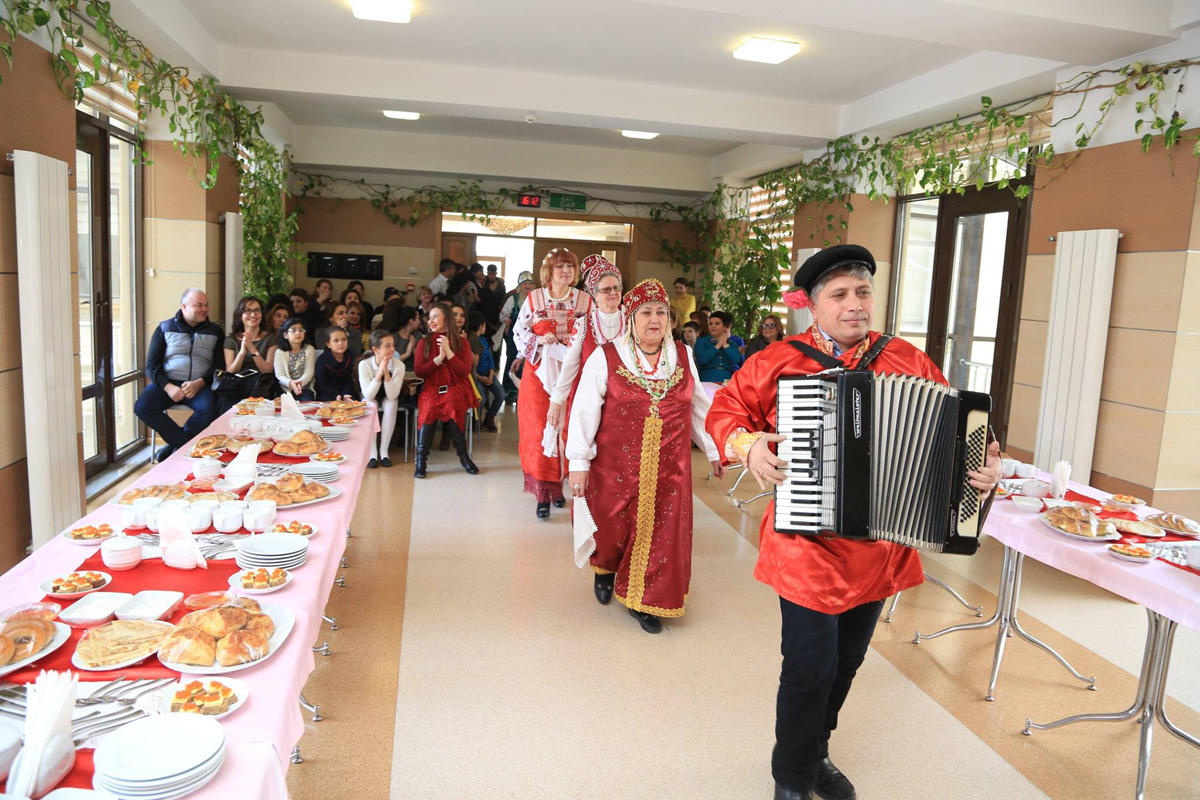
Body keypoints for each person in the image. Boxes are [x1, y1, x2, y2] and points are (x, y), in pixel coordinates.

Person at [704, 244, 1002, 800]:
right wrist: (748, 450)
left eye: (862, 292)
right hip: (806, 544)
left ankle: (816, 751)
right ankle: (790, 777)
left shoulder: (908, 361)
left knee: (847, 661)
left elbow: (963, 432)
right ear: (813, 307)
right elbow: (724, 412)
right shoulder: (778, 360)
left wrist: (985, 464)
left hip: (882, 545)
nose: (855, 305)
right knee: (809, 666)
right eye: (839, 295)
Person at [566, 279, 723, 634]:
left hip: (670, 470)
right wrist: (579, 463)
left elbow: (699, 407)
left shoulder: (682, 356)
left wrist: (714, 449)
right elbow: (584, 413)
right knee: (611, 528)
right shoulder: (606, 356)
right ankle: (605, 569)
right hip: (613, 467)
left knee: (662, 532)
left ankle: (645, 599)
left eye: (662, 313)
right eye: (647, 313)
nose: (655, 319)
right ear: (631, 317)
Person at [512, 248, 592, 519]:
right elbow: (518, 332)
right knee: (538, 432)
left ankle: (561, 486)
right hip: (538, 376)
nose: (566, 272)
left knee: (569, 430)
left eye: (570, 267)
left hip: (572, 376)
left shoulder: (584, 300)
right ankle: (544, 493)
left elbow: (592, 335)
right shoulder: (534, 299)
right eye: (560, 267)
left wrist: (575, 343)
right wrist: (539, 341)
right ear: (549, 271)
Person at [134, 288, 223, 460]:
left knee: (209, 408)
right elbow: (152, 366)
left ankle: (175, 447)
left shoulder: (215, 331)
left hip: (199, 384)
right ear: (184, 306)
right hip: (168, 383)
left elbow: (219, 366)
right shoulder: (164, 328)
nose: (205, 309)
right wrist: (168, 387)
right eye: (199, 305)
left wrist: (200, 382)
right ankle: (182, 445)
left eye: (206, 305)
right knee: (142, 407)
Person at [545, 254, 624, 447]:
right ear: (594, 294)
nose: (613, 293)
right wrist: (556, 400)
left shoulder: (632, 322)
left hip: (623, 400)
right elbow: (570, 366)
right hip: (588, 398)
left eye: (616, 288)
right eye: (606, 289)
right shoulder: (583, 325)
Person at [413, 304, 478, 478]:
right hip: (432, 388)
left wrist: (449, 352)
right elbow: (420, 371)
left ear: (446, 319)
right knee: (428, 407)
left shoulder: (461, 342)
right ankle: (421, 460)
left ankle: (464, 456)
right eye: (430, 317)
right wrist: (437, 359)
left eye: (436, 316)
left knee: (452, 402)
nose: (431, 320)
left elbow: (463, 372)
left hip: (455, 387)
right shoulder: (423, 342)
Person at [218, 295, 278, 411]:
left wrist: (252, 349)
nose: (253, 315)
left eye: (257, 310)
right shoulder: (231, 340)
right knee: (225, 400)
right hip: (236, 384)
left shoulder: (270, 338)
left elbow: (267, 370)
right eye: (248, 311)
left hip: (260, 384)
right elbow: (230, 370)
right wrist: (242, 352)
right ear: (240, 315)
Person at [358, 328, 405, 468]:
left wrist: (387, 375)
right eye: (387, 345)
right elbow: (368, 394)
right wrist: (379, 374)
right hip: (371, 395)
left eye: (393, 345)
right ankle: (372, 453)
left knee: (391, 403)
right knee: (369, 403)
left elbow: (392, 395)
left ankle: (384, 451)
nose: (392, 349)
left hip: (389, 395)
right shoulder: (364, 364)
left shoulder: (399, 365)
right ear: (375, 349)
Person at [499, 271, 534, 402]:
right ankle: (508, 390)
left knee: (528, 362)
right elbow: (502, 314)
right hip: (515, 336)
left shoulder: (535, 299)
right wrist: (507, 321)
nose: (528, 286)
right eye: (525, 283)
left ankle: (523, 390)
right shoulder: (513, 299)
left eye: (530, 283)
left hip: (531, 335)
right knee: (512, 360)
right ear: (520, 285)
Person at [468, 310, 503, 432]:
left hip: (488, 374)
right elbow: (471, 367)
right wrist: (480, 377)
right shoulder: (469, 342)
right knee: (481, 398)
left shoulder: (483, 340)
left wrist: (491, 373)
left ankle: (489, 419)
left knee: (500, 394)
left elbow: (490, 358)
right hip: (476, 376)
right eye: (484, 324)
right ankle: (474, 422)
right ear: (480, 325)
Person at [694, 310, 745, 382]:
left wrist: (725, 344)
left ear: (725, 327)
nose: (713, 326)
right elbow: (702, 359)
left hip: (727, 380)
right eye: (710, 324)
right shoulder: (702, 341)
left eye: (717, 323)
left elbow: (736, 359)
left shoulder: (731, 343)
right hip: (706, 379)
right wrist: (717, 346)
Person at [273, 318, 317, 400]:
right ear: (285, 335)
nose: (298, 333)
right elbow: (280, 375)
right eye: (293, 330)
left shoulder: (309, 349)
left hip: (304, 389)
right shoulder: (280, 352)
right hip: (285, 389)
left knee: (306, 404)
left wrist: (299, 383)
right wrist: (290, 383)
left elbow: (309, 373)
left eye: (301, 330)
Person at [315, 328, 360, 401]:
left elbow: (351, 379)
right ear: (328, 344)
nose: (340, 343)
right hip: (328, 394)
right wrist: (335, 395)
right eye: (336, 341)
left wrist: (346, 393)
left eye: (344, 339)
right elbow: (321, 384)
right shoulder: (322, 360)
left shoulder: (351, 357)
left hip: (347, 393)